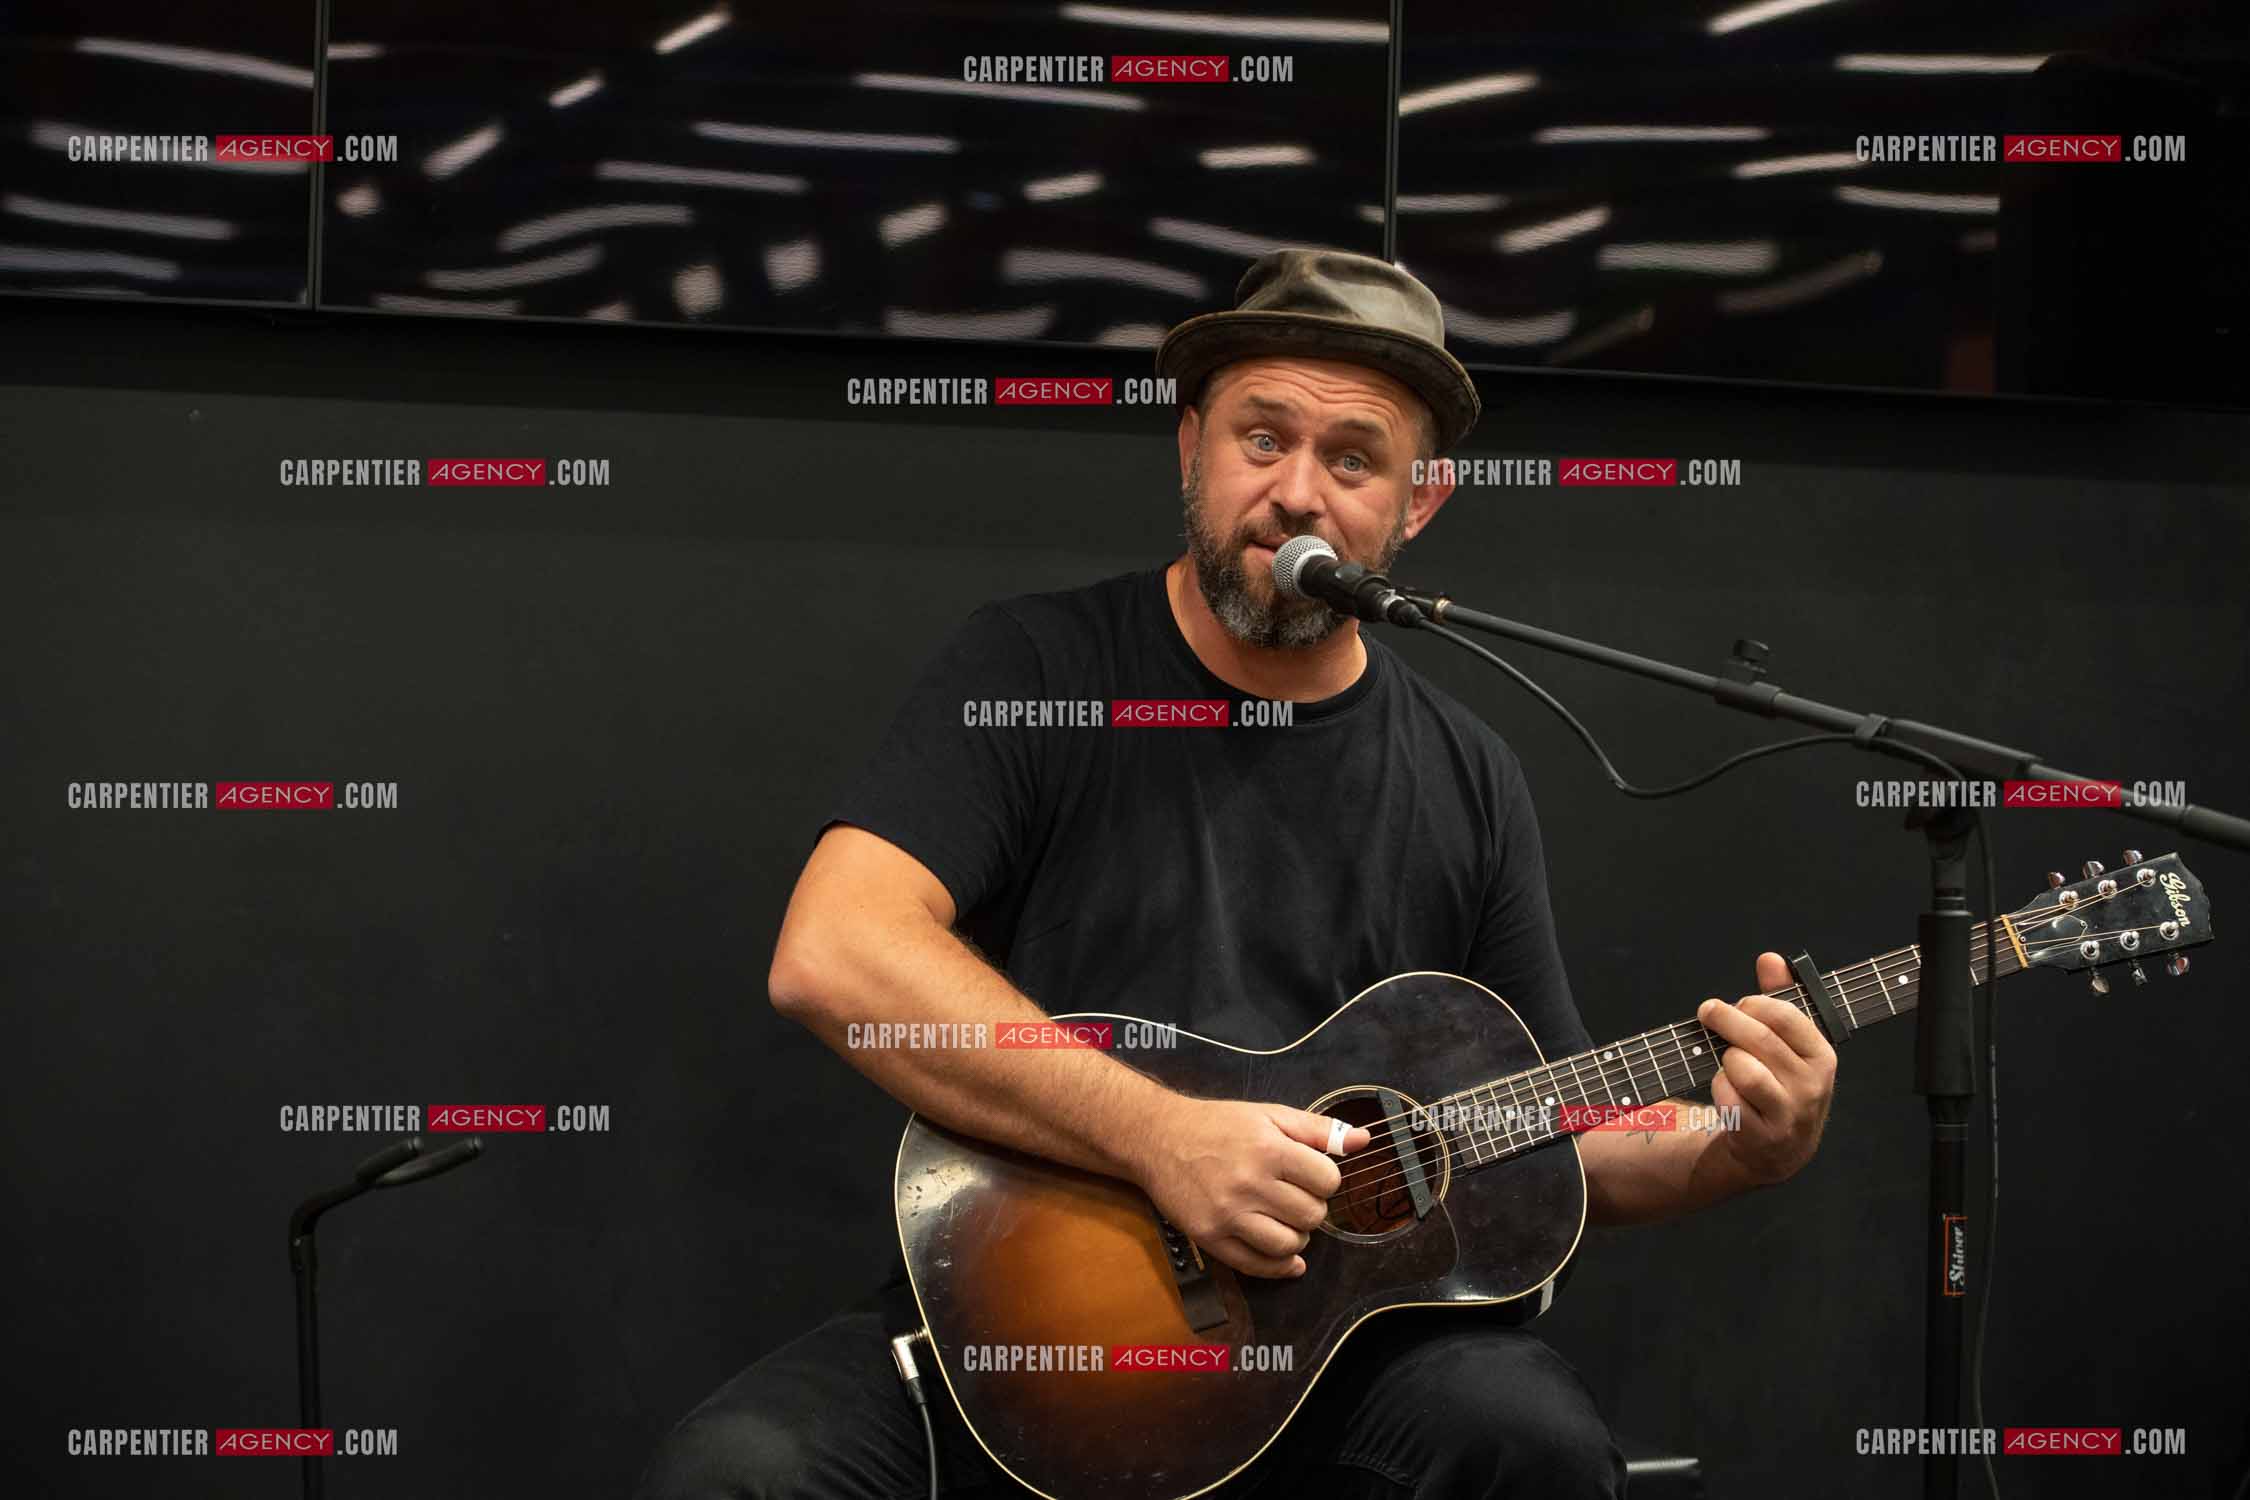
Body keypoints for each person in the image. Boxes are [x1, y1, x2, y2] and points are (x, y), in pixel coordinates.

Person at [635, 248, 1838, 1499]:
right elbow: (834, 953)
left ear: (1419, 505)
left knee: (1524, 1441)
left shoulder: (1468, 774)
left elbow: (1551, 1128)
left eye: (1353, 459)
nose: (1297, 492)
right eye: (1261, 439)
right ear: (1190, 448)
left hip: (1341, 1354)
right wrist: (1162, 1137)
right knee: (737, 1477)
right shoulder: (1035, 671)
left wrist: (1739, 1148)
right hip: (1026, 1321)